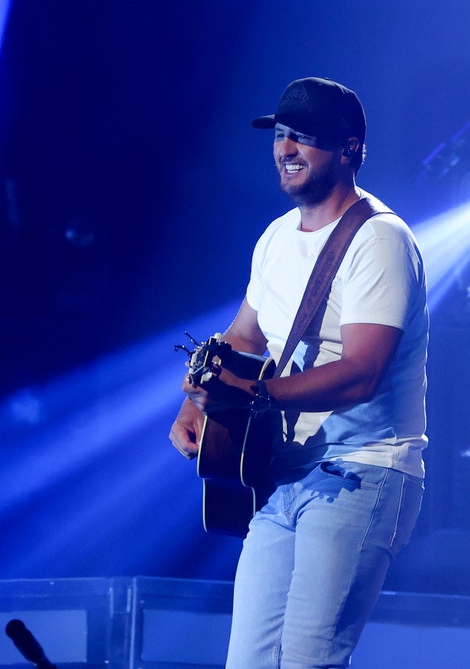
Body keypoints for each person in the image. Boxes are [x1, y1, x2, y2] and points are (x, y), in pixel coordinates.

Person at [168, 77, 429, 669]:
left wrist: (253, 393)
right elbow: (242, 336)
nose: (286, 149)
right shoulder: (276, 238)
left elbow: (361, 373)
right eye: (281, 135)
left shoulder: (379, 239)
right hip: (283, 474)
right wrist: (197, 402)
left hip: (360, 472)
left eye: (304, 138)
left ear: (350, 150)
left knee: (309, 661)